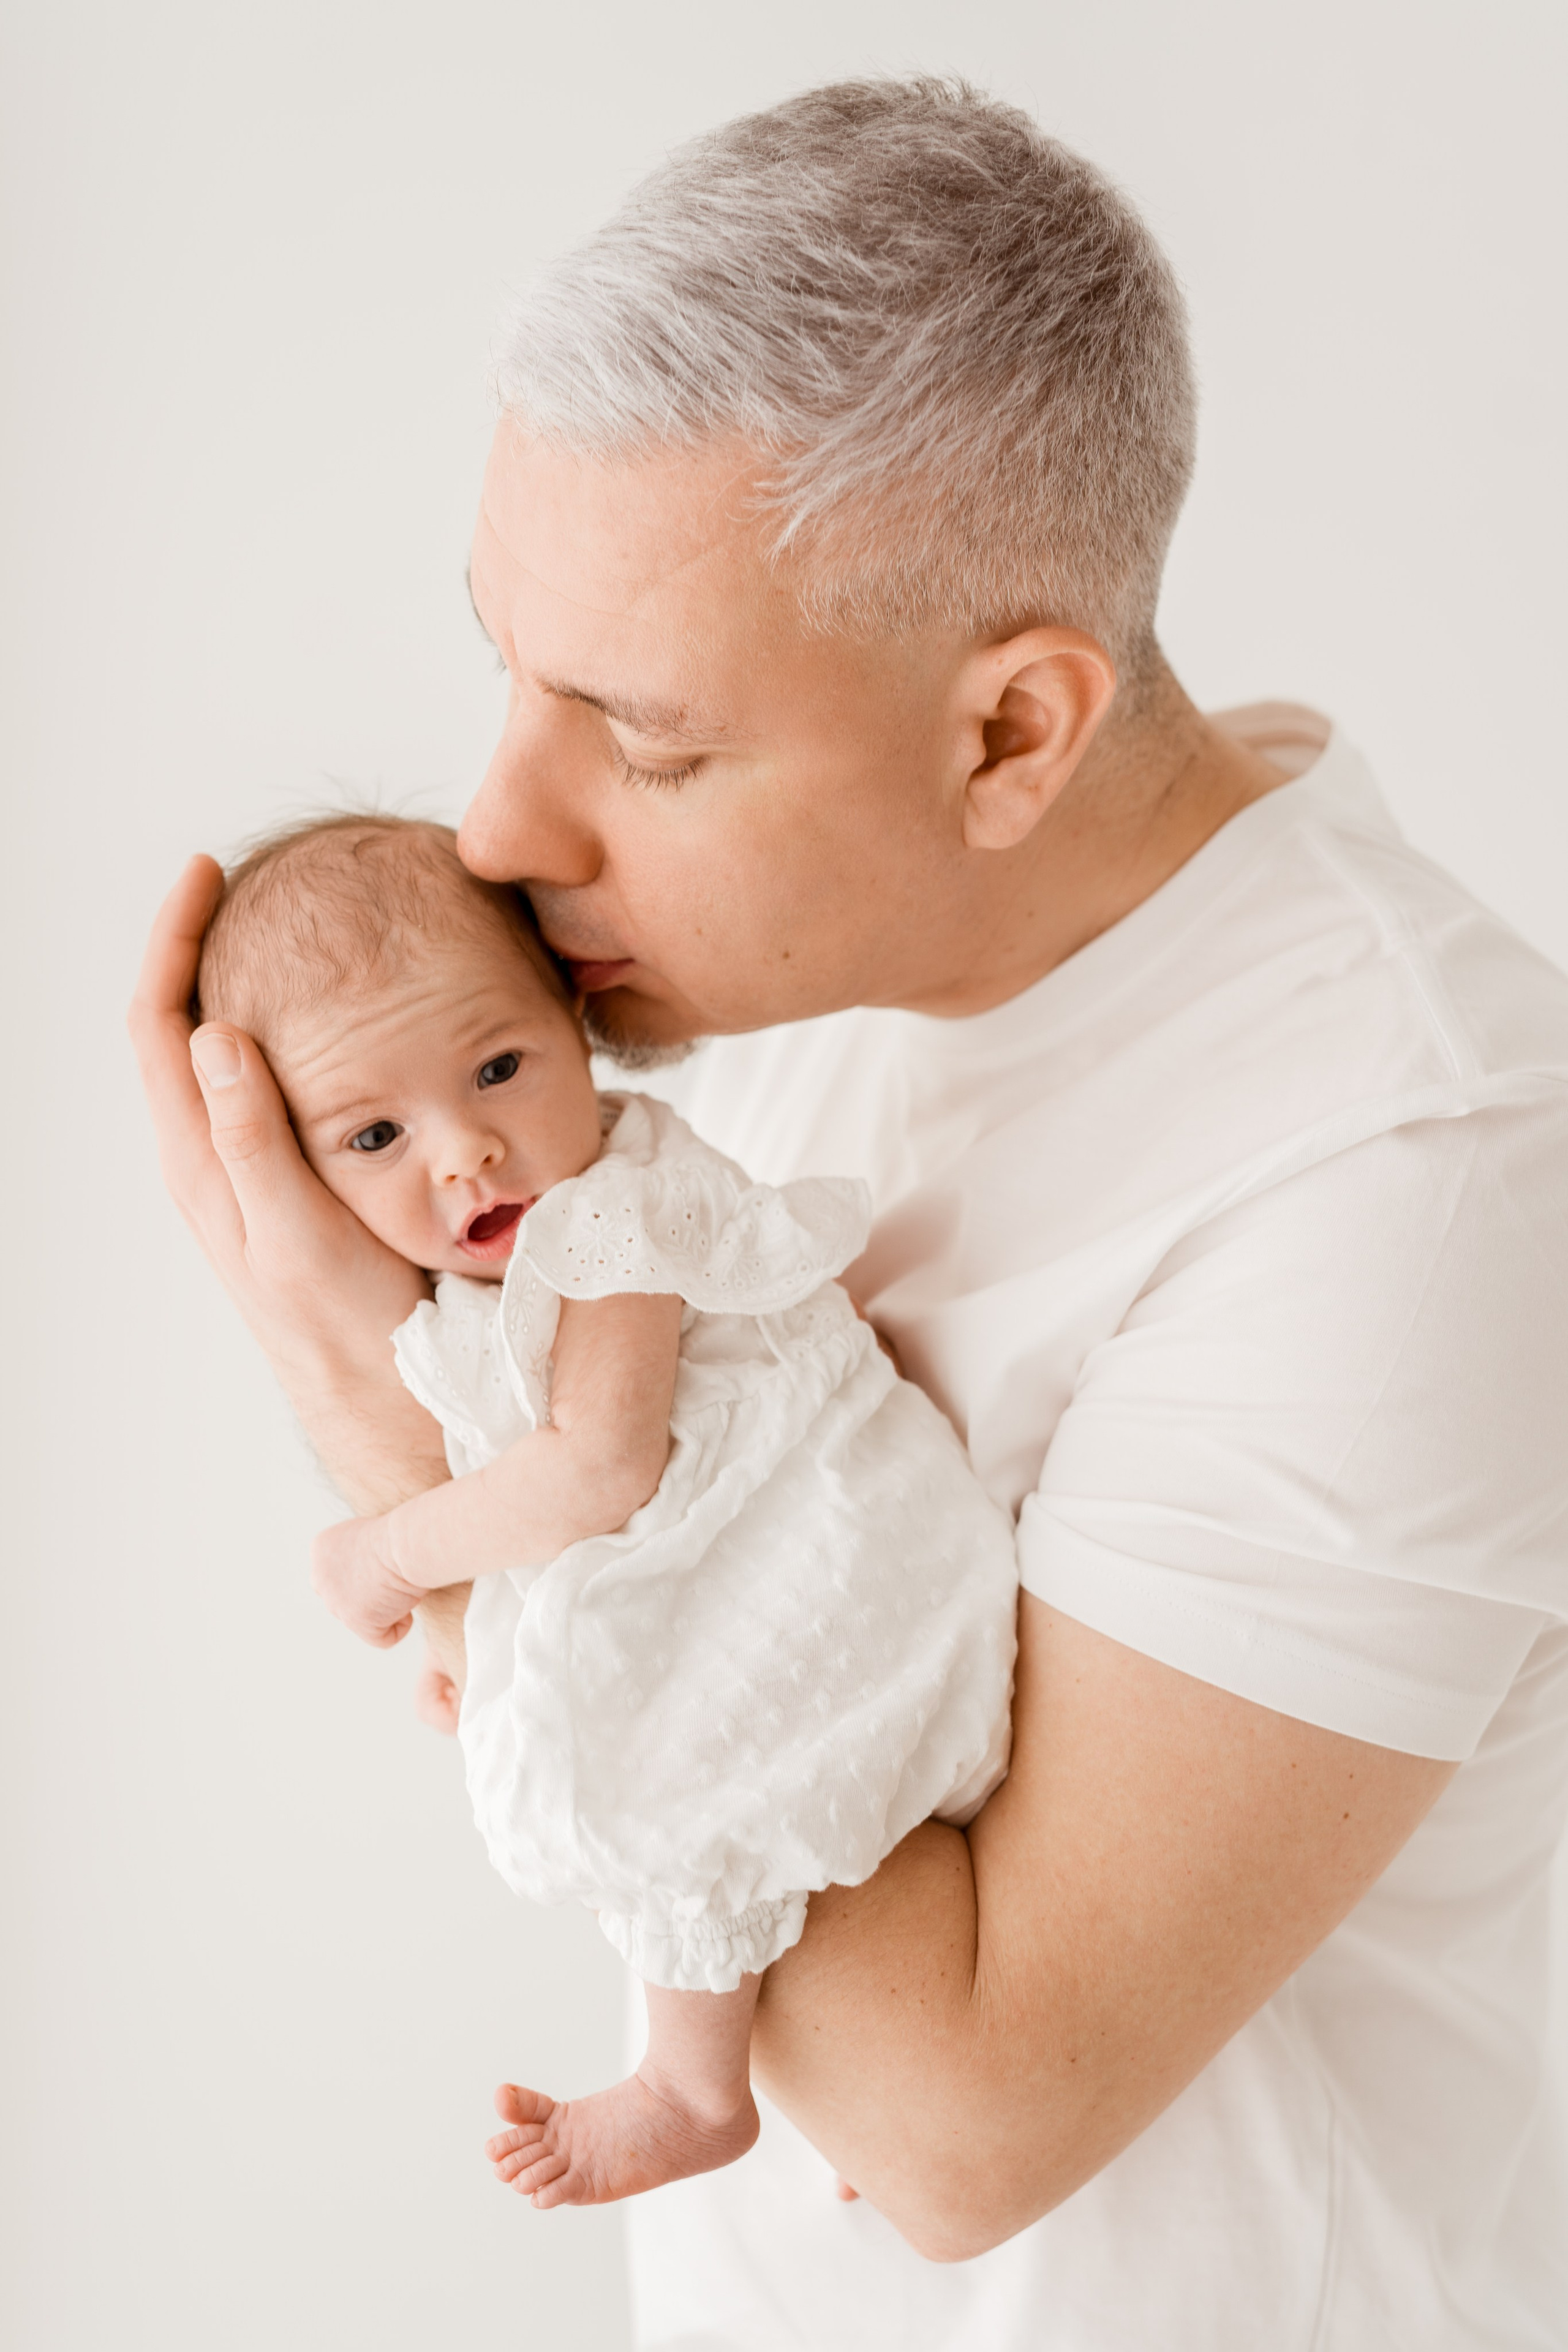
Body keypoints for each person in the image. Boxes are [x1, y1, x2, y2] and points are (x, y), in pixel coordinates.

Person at [130, 75, 1568, 2352]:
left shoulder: (1407, 1177)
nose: (496, 830)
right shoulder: (778, 992)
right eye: (507, 664)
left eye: (646, 739)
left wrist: (380, 1415)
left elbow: (956, 2122)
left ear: (1011, 736)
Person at [191, 811, 1016, 2209]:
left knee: (665, 1768)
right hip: (788, 1568)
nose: (466, 1153)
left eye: (497, 1068)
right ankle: (842, 2108)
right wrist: (492, 1644)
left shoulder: (614, 1219)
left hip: (843, 1567)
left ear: (576, 1025)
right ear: (304, 1171)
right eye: (376, 1134)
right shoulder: (496, 1264)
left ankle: (697, 2091)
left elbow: (596, 1473)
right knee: (629, 1727)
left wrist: (388, 1556)